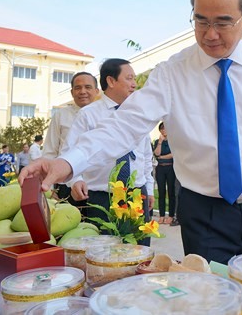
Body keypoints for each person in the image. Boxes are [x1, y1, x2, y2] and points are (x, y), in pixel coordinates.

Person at [20, 0, 242, 265]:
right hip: (204, 215)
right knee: (208, 298)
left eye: (223, 22)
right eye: (200, 20)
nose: (210, 34)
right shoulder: (172, 73)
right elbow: (123, 125)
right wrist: (67, 163)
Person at [63, 58, 154, 245]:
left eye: (134, 78)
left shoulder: (138, 114)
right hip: (103, 198)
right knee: (105, 256)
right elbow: (70, 151)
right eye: (129, 78)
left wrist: (149, 188)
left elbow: (145, 155)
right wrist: (77, 180)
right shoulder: (88, 114)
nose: (134, 84)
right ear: (111, 81)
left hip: (136, 194)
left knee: (139, 252)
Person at [43, 72, 100, 204]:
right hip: (66, 186)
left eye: (88, 87)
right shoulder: (60, 116)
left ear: (96, 91)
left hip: (97, 188)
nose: (83, 91)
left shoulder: (106, 116)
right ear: (72, 92)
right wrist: (49, 188)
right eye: (78, 88)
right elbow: (50, 152)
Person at [152, 122, 176, 225]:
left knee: (171, 192)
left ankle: (170, 216)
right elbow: (156, 153)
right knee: (161, 192)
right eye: (162, 129)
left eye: (165, 128)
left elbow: (173, 154)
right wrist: (160, 142)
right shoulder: (158, 141)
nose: (163, 130)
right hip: (160, 169)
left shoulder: (173, 141)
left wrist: (162, 157)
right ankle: (161, 216)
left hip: (170, 168)